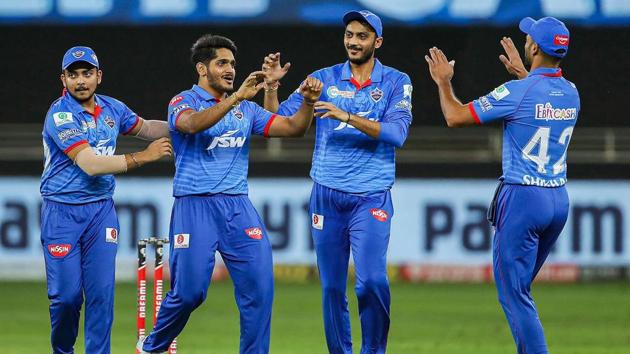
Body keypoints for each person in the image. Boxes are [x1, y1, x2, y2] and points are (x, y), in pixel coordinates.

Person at [137, 34, 323, 354]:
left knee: (260, 290)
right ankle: (151, 347)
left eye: (232, 64)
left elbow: (293, 128)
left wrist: (306, 101)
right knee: (190, 292)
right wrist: (236, 98)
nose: (229, 69)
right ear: (201, 69)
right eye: (221, 63)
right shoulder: (183, 101)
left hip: (238, 207)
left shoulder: (246, 110)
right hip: (195, 206)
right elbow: (192, 125)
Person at [425, 17, 579, 354]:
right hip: (558, 200)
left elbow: (455, 116)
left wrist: (443, 82)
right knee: (520, 290)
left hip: (523, 198)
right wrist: (525, 75)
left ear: (534, 48)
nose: (525, 41)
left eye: (528, 38)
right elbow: (542, 101)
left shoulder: (517, 92)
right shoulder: (570, 93)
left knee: (514, 295)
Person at [262, 10, 413, 354]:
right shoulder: (323, 78)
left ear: (378, 42)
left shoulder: (395, 82)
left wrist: (347, 116)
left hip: (370, 197)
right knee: (331, 288)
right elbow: (277, 122)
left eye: (362, 36)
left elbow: (397, 134)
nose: (353, 42)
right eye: (349, 35)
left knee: (371, 281)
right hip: (326, 197)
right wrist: (271, 88)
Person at [41, 46, 173, 354]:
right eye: (73, 75)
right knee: (66, 298)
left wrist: (190, 123)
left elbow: (148, 128)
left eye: (87, 73)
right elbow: (90, 164)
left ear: (98, 76)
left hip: (100, 211)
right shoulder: (60, 115)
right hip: (61, 212)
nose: (81, 81)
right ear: (64, 79)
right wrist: (144, 156)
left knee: (101, 294)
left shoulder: (112, 109)